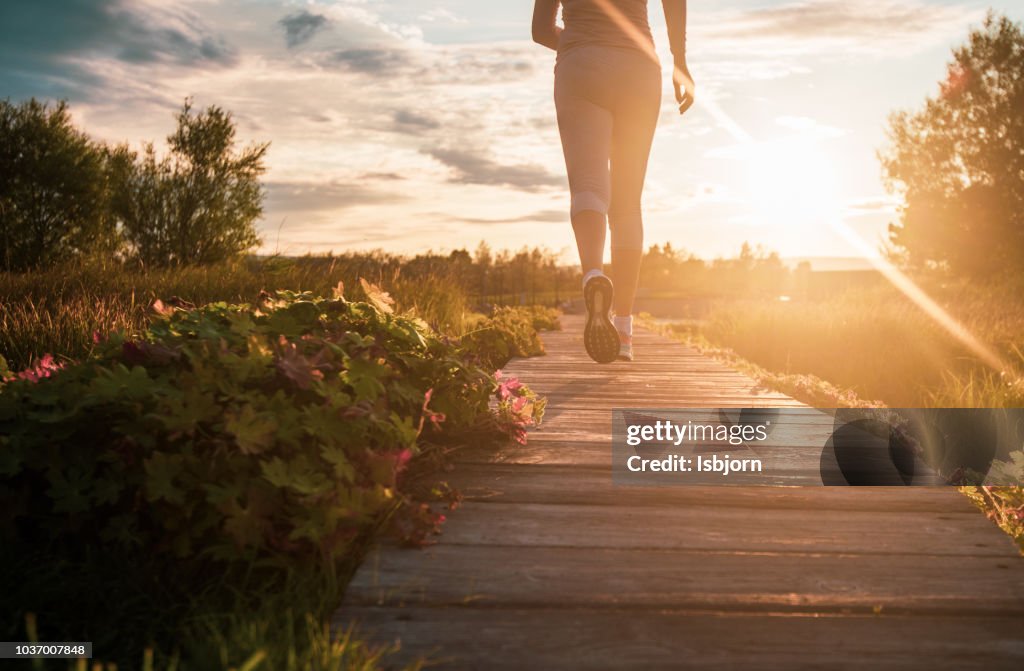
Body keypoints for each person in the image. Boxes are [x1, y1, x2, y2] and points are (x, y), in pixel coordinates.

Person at [532, 0, 694, 363]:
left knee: (588, 186)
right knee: (627, 203)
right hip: (639, 67)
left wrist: (580, 44)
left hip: (581, 65)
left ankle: (592, 274)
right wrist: (679, 61)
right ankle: (623, 331)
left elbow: (541, 29)